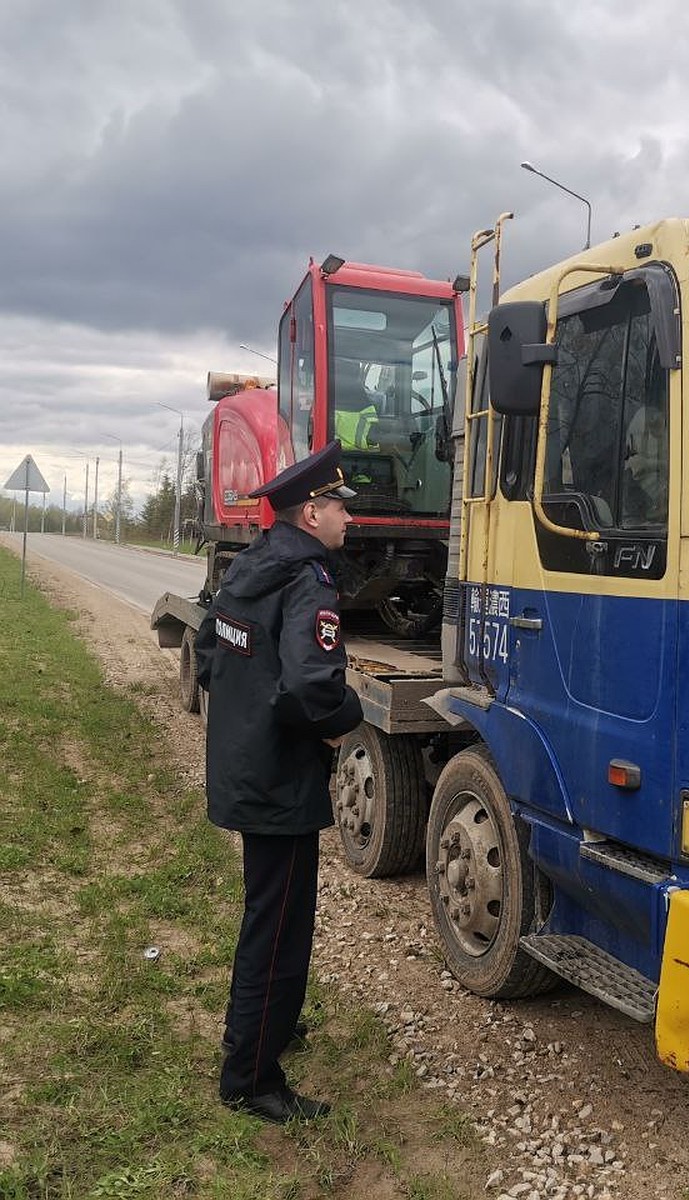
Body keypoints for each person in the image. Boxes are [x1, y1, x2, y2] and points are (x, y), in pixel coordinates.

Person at [195, 441, 364, 1123]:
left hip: (244, 765)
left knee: (269, 911)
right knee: (281, 926)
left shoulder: (253, 564)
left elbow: (208, 653)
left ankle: (274, 1024)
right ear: (313, 511)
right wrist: (344, 719)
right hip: (281, 784)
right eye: (340, 510)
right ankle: (251, 1078)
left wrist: (247, 714)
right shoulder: (308, 580)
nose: (348, 521)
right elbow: (310, 686)